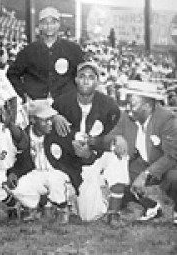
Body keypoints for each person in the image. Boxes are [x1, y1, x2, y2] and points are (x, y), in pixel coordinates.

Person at [43, 62, 126, 223]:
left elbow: (113, 131)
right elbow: (39, 110)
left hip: (96, 154)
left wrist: (109, 141)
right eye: (82, 76)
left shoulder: (108, 104)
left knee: (120, 153)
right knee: (89, 217)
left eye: (91, 77)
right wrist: (53, 115)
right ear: (75, 79)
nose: (86, 81)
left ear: (97, 81)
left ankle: (113, 212)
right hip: (72, 160)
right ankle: (76, 194)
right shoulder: (62, 102)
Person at [108, 82, 177, 225]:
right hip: (141, 163)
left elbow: (171, 155)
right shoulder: (126, 116)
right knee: (118, 175)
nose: (128, 108)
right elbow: (109, 136)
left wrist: (146, 174)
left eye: (132, 104)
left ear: (147, 106)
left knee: (174, 178)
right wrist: (117, 138)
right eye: (127, 103)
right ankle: (151, 206)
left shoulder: (167, 119)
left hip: (166, 166)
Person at [9, 101, 71, 223]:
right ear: (32, 120)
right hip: (36, 173)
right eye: (44, 120)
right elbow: (19, 161)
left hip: (59, 174)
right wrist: (13, 173)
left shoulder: (57, 132)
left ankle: (62, 208)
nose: (49, 123)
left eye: (50, 119)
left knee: (54, 178)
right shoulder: (24, 135)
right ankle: (35, 208)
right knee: (15, 186)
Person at [6, 7, 83, 101]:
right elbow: (12, 74)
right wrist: (23, 95)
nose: (49, 26)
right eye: (45, 23)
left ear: (58, 24)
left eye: (53, 22)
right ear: (40, 26)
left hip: (66, 103)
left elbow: (82, 73)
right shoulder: (29, 50)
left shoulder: (73, 49)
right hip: (37, 104)